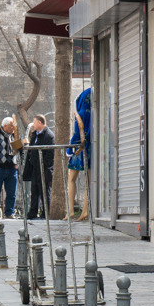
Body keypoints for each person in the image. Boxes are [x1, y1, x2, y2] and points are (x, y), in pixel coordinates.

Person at [64, 88, 92, 221]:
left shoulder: (80, 113)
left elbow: (76, 132)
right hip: (93, 147)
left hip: (78, 147)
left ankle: (70, 211)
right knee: (89, 181)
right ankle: (85, 211)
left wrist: (70, 149)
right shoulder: (96, 113)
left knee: (71, 179)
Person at [23, 114, 54, 219]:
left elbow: (50, 154)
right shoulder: (34, 135)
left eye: (34, 122)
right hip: (34, 168)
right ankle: (33, 212)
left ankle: (46, 213)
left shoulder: (49, 136)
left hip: (44, 169)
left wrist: (43, 164)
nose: (33, 124)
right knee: (34, 191)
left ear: (40, 122)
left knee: (44, 191)